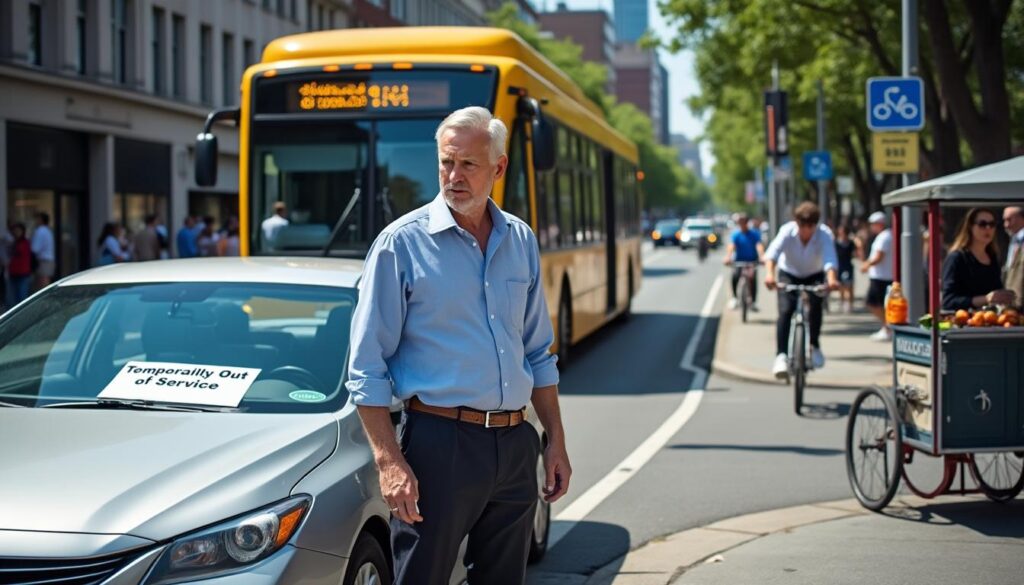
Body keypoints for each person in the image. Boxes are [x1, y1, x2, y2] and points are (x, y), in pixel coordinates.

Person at [347, 106, 571, 585]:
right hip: (438, 444)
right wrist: (390, 463)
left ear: (499, 167)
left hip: (514, 445)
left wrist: (554, 440)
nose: (454, 175)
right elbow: (366, 367)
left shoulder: (520, 239)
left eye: (469, 164)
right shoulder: (400, 245)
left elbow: (538, 353)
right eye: (447, 163)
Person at [764, 202, 840, 379]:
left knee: (816, 307)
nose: (806, 230)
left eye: (810, 226)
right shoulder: (787, 231)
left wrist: (832, 280)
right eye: (802, 226)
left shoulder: (824, 234)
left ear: (816, 224)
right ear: (796, 222)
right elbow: (772, 254)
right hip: (789, 273)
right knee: (785, 310)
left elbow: (830, 259)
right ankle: (781, 355)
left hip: (814, 274)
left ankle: (814, 346)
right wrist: (769, 276)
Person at [941, 208, 1015, 311]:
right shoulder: (957, 258)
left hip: (990, 322)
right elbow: (948, 301)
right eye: (982, 224)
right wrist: (985, 299)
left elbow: (996, 292)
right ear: (970, 227)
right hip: (962, 322)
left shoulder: (992, 257)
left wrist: (1003, 296)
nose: (988, 228)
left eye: (992, 224)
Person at [861, 211, 894, 340]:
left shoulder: (885, 236)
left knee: (873, 303)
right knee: (879, 304)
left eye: (873, 224)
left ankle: (887, 326)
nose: (871, 227)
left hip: (881, 276)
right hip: (881, 276)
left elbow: (879, 256)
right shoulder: (885, 235)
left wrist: (866, 265)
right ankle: (886, 327)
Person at [724, 213, 764, 310]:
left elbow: (759, 245)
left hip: (751, 261)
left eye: (744, 222)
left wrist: (762, 257)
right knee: (735, 276)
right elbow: (731, 246)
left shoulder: (754, 234)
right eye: (740, 222)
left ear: (747, 222)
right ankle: (734, 298)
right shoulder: (736, 234)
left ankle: (753, 302)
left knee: (753, 278)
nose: (742, 224)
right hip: (739, 261)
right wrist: (728, 257)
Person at [834, 223, 860, 313]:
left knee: (849, 286)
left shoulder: (851, 243)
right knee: (841, 286)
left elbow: (858, 253)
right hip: (839, 266)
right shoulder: (836, 243)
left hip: (848, 266)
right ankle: (842, 302)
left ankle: (850, 304)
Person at [1002, 206, 1024, 304]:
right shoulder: (1013, 241)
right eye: (1004, 220)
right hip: (1013, 302)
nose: (1006, 225)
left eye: (1009, 220)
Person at [8, 223, 32, 305]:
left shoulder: (25, 243)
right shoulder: (12, 243)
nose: (16, 232)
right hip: (13, 273)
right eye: (15, 231)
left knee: (22, 298)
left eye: (18, 231)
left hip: (23, 273)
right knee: (12, 298)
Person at [30, 212, 55, 290]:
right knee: (45, 281)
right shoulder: (48, 230)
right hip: (49, 259)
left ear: (41, 220)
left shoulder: (40, 231)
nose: (35, 221)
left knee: (42, 283)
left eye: (37, 219)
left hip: (43, 260)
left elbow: (35, 248)